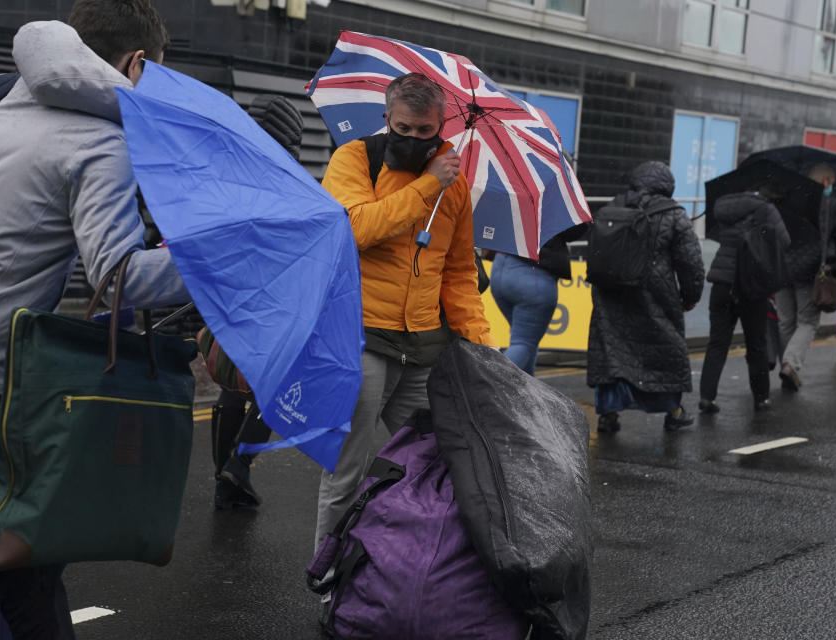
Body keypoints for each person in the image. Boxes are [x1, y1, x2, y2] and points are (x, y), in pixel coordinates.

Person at [0, 3, 187, 636]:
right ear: (136, 63)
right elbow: (118, 278)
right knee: (0, 574)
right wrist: (215, 263)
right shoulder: (101, 138)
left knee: (24, 574)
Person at [317, 72, 492, 548]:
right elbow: (356, 229)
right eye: (404, 128)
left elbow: (458, 272)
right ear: (386, 119)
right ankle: (327, 575)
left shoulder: (454, 183)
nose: (414, 139)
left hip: (424, 345)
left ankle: (402, 571)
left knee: (434, 465)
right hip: (362, 337)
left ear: (441, 128)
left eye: (425, 132)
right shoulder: (354, 158)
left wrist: (480, 342)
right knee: (346, 472)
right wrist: (427, 186)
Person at [211, 94, 304, 510]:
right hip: (274, 297)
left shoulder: (229, 169)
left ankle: (224, 479)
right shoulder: (292, 181)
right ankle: (239, 465)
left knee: (231, 383)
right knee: (277, 384)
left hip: (227, 291)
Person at [587, 161, 704, 433]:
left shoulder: (612, 207)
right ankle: (673, 411)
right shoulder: (674, 215)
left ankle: (609, 413)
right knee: (663, 350)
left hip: (611, 293)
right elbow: (690, 263)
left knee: (613, 352)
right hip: (655, 295)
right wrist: (690, 296)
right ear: (667, 186)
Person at [698, 191, 790, 413]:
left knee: (717, 343)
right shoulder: (765, 209)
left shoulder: (725, 206)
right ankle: (761, 398)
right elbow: (784, 241)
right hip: (750, 284)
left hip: (721, 281)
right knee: (756, 343)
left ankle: (706, 397)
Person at [777, 164, 836, 390]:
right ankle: (791, 365)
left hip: (783, 267)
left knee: (786, 321)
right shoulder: (831, 204)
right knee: (807, 321)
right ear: (826, 181)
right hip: (811, 269)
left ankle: (788, 368)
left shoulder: (787, 199)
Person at [489, 237, 569, 375]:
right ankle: (490, 385)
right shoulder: (555, 215)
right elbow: (578, 229)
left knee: (525, 341)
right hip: (532, 275)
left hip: (500, 266)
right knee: (523, 343)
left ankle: (525, 393)